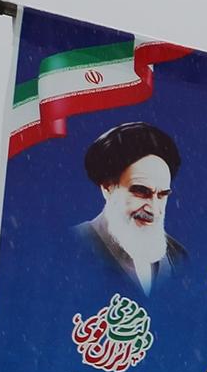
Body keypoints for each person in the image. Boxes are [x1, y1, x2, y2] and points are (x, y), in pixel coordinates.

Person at [74, 121, 186, 294]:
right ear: (108, 188)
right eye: (141, 192)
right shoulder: (74, 245)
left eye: (162, 195)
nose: (153, 209)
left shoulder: (177, 256)